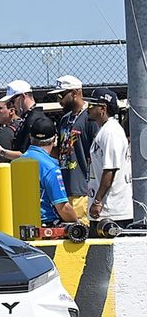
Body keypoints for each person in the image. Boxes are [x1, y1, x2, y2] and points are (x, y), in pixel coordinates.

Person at [50, 75, 97, 224]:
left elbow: (95, 153)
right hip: (65, 186)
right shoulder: (65, 119)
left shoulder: (90, 118)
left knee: (79, 231)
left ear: (75, 93)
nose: (59, 100)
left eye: (62, 95)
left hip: (81, 189)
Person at [86, 87, 133, 234]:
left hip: (112, 209)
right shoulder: (104, 130)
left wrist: (98, 201)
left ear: (103, 108)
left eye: (92, 105)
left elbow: (110, 169)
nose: (88, 108)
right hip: (105, 209)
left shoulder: (111, 132)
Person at [21, 115, 78, 225]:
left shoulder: (18, 162)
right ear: (55, 139)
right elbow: (63, 208)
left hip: (19, 223)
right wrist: (78, 224)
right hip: (45, 226)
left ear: (30, 137)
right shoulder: (50, 167)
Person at [0, 80, 49, 161]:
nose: (13, 105)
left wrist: (1, 151)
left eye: (13, 101)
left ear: (23, 96)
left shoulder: (34, 120)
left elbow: (29, 155)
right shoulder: (28, 118)